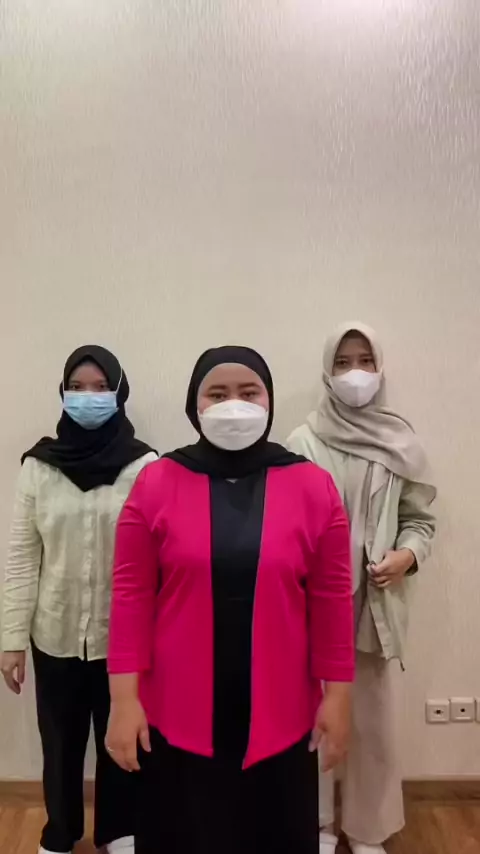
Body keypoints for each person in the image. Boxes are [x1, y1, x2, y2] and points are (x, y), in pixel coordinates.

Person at [105, 345, 355, 854]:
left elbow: (331, 600)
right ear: (194, 406)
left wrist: (339, 697)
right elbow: (131, 596)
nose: (233, 405)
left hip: (282, 715)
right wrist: (123, 700)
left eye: (249, 392)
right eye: (217, 394)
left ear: (269, 401)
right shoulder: (156, 482)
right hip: (176, 714)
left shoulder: (313, 486)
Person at [1, 345, 157, 854]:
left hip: (123, 639)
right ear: (62, 393)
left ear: (119, 392)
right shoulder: (39, 467)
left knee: (123, 739)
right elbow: (22, 556)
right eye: (76, 387)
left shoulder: (145, 466)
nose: (88, 397)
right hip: (56, 632)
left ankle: (121, 831)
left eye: (100, 387)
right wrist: (11, 639)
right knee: (60, 744)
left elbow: (157, 559)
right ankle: (60, 832)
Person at [287, 323, 436, 854]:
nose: (355, 373)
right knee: (312, 720)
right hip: (312, 608)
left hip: (373, 606)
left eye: (365, 361)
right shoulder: (302, 442)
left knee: (371, 724)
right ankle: (317, 826)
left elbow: (420, 520)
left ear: (380, 368)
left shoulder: (399, 441)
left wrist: (407, 556)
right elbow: (284, 526)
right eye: (344, 361)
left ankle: (367, 829)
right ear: (327, 371)